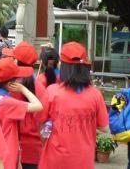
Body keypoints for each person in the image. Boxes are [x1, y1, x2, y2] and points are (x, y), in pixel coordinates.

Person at [38, 41, 109, 169]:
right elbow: (104, 128)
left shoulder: (52, 92)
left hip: (55, 159)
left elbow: (41, 124)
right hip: (83, 160)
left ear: (64, 67)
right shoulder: (95, 94)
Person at [0, 58, 43, 169]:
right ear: (11, 83)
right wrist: (24, 89)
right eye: (18, 79)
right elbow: (38, 106)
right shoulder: (8, 103)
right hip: (6, 156)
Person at [11, 41, 45, 169]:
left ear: (16, 60)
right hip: (35, 151)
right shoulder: (40, 87)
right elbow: (44, 120)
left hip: (12, 147)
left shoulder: (10, 85)